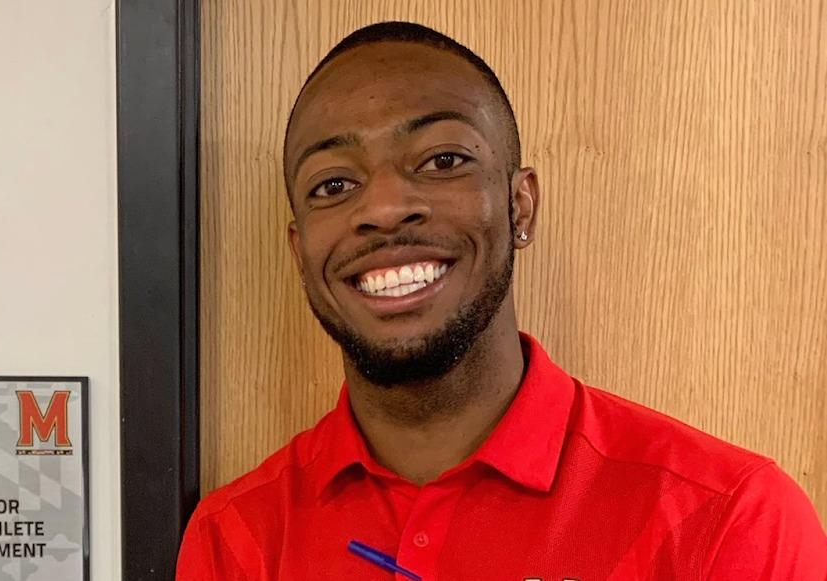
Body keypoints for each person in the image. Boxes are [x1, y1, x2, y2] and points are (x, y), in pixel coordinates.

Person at [176, 21, 826, 580]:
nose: (382, 207)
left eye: (441, 159)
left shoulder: (728, 517)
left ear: (520, 205)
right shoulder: (234, 535)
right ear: (299, 252)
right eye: (333, 183)